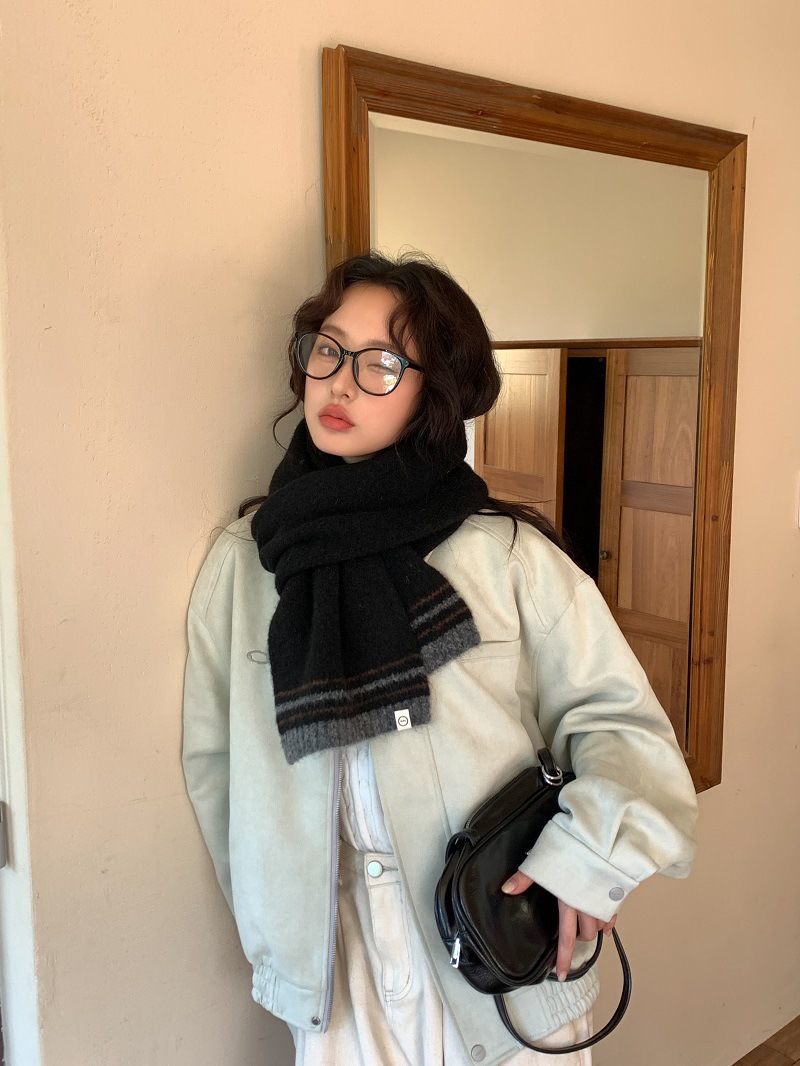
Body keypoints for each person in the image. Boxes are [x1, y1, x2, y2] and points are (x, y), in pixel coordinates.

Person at [182, 252, 698, 1066]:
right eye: (328, 349)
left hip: (499, 953)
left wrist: (585, 865)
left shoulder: (509, 557)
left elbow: (621, 725)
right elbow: (218, 765)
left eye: (382, 363)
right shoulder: (247, 564)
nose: (340, 383)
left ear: (437, 392)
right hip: (336, 975)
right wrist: (270, 915)